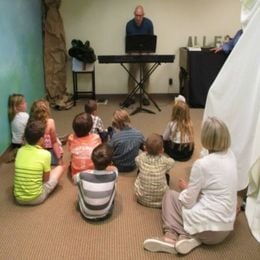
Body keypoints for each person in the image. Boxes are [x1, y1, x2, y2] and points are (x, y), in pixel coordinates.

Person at [143, 117, 238, 255]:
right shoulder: (231, 156)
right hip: (225, 230)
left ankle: (170, 236)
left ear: (205, 138)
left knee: (169, 195)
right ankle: (189, 238)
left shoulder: (202, 164)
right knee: (198, 199)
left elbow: (187, 202)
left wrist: (186, 191)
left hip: (207, 228)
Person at [14, 120, 66, 205]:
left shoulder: (19, 151)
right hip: (37, 198)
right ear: (41, 139)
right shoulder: (45, 154)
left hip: (18, 198)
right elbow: (45, 179)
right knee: (61, 167)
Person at [74, 143, 118, 220]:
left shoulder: (83, 174)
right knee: (115, 184)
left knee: (79, 183)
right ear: (110, 163)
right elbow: (114, 170)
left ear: (91, 159)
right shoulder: (114, 175)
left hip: (86, 212)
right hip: (105, 213)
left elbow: (74, 179)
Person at [124, 5, 154, 107]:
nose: (138, 18)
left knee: (147, 75)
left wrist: (146, 53)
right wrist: (133, 53)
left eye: (140, 15)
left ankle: (144, 97)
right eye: (136, 15)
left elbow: (151, 42)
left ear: (143, 15)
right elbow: (128, 43)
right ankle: (131, 96)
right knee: (131, 76)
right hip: (133, 54)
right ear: (134, 14)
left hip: (145, 54)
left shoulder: (149, 24)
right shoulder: (129, 25)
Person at [134, 133, 175, 208]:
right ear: (162, 150)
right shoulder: (164, 161)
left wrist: (143, 154)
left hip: (141, 199)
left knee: (139, 171)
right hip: (161, 201)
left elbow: (136, 161)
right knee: (167, 173)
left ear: (144, 148)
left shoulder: (141, 157)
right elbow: (172, 162)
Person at [67, 112, 101, 179]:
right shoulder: (96, 137)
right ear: (90, 127)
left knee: (72, 157)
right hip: (93, 174)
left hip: (76, 176)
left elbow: (70, 151)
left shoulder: (70, 138)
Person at [29, 99, 63, 165]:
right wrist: (59, 159)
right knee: (58, 144)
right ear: (46, 111)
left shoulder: (29, 122)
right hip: (46, 153)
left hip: (33, 155)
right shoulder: (50, 122)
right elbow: (54, 142)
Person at [163, 95, 194, 161]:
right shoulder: (190, 124)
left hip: (175, 152)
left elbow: (165, 137)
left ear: (174, 112)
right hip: (188, 152)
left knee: (161, 139)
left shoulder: (171, 123)